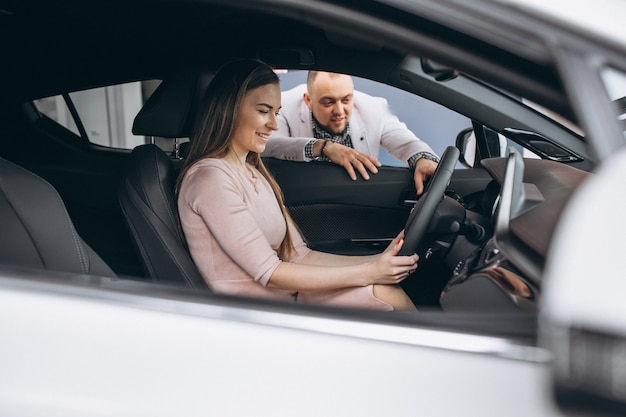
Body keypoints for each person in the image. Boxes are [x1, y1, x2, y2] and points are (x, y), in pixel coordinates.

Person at [177, 59, 419, 311]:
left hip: (285, 298)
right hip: (254, 312)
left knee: (386, 289)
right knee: (385, 293)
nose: (274, 124)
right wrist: (369, 273)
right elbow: (270, 272)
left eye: (276, 112)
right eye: (263, 111)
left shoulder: (253, 170)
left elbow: (297, 255)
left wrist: (378, 261)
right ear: (228, 110)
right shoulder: (210, 179)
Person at [262, 71, 439, 195]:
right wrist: (323, 147)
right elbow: (269, 145)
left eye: (346, 100)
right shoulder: (283, 104)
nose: (339, 111)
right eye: (328, 102)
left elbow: (405, 142)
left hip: (355, 197)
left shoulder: (374, 108)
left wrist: (422, 159)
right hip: (301, 196)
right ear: (308, 100)